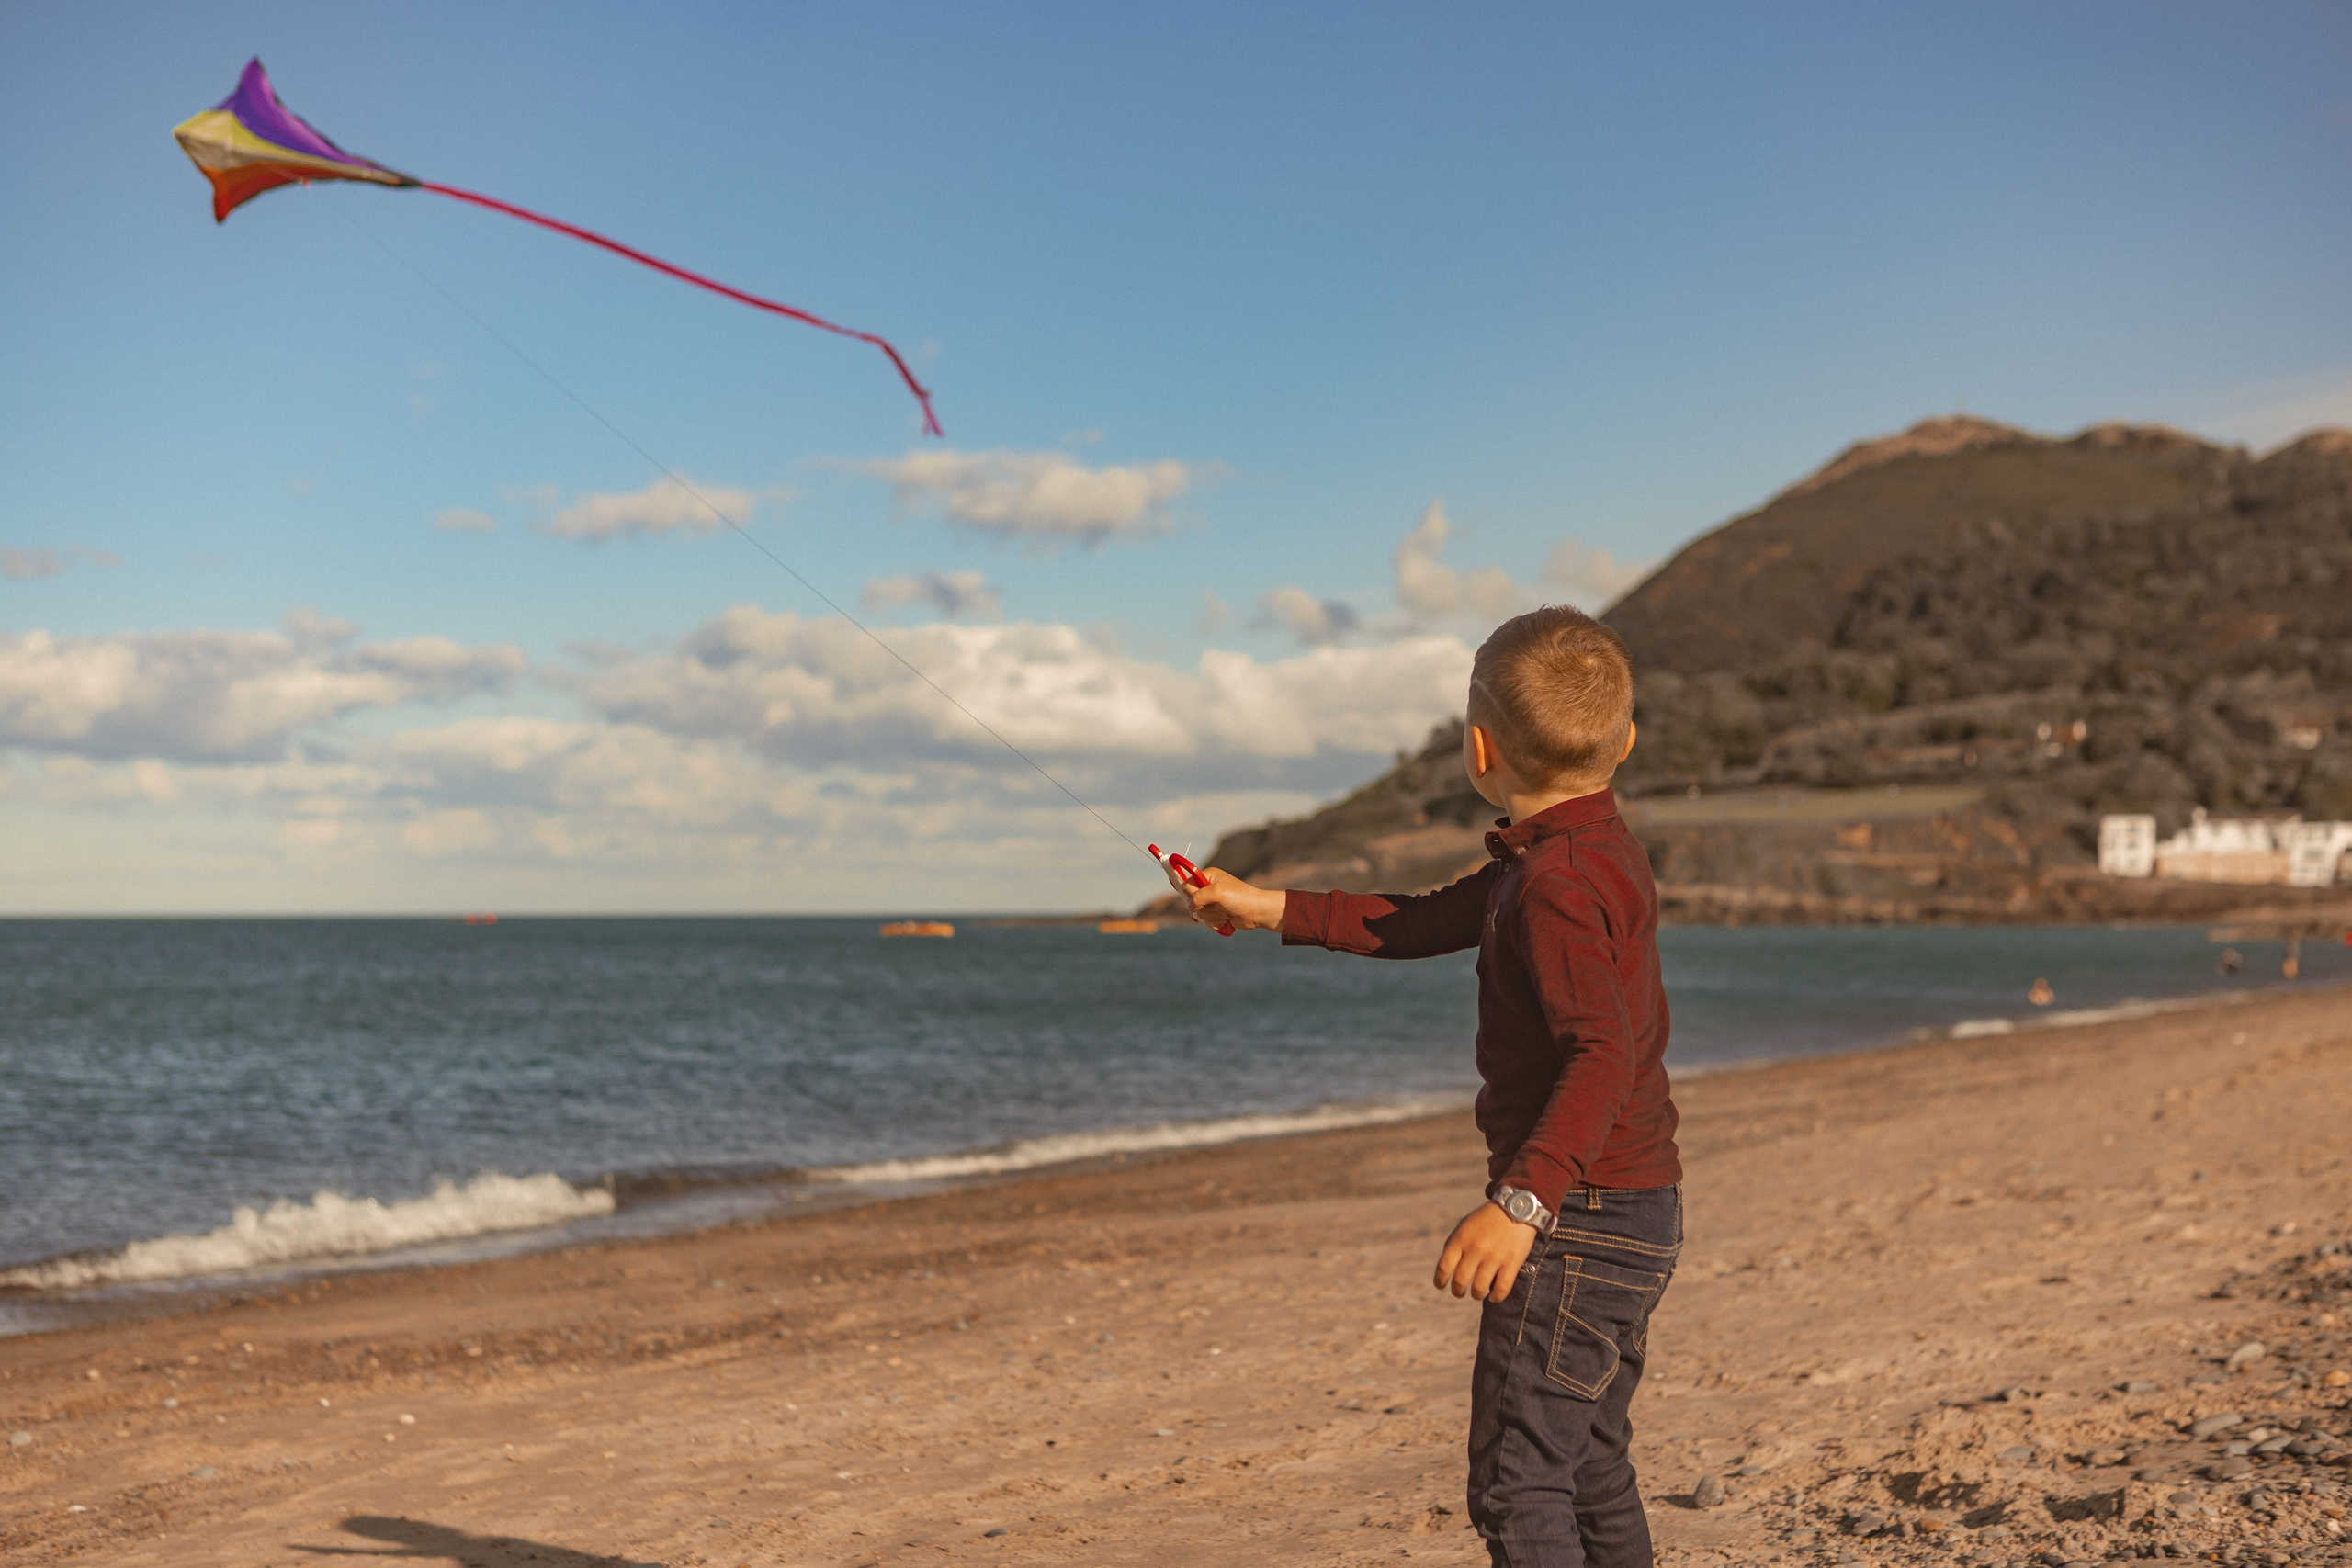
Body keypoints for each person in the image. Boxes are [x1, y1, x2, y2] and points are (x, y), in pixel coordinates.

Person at [1164, 605, 1682, 1568]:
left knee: (1518, 1484)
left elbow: (1600, 1054)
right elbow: (1409, 922)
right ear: (1626, 742)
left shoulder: (1556, 885)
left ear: (1477, 749)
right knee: (1590, 1462)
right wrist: (1260, 903)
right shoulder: (1576, 854)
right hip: (1637, 1205)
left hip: (1579, 1219)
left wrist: (1521, 1203)